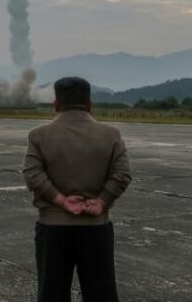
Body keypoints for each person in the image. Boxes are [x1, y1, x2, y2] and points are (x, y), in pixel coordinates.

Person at [22, 76, 132, 302]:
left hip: (53, 228)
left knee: (52, 293)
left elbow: (33, 174)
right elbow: (122, 174)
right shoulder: (111, 134)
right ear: (90, 103)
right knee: (101, 293)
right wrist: (101, 200)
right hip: (96, 226)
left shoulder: (38, 135)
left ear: (56, 105)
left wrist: (61, 200)